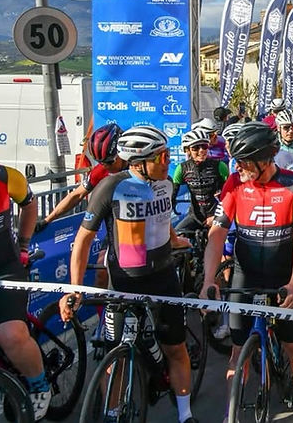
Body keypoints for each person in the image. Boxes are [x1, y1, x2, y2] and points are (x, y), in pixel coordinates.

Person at [59, 126, 197, 423]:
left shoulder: (165, 184)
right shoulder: (110, 187)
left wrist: (174, 239)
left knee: (175, 348)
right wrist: (74, 289)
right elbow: (82, 242)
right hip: (122, 281)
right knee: (116, 354)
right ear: (140, 162)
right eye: (162, 157)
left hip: (163, 277)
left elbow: (161, 219)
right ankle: (112, 412)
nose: (167, 162)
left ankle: (185, 414)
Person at [200, 122, 293, 422]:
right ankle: (232, 414)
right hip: (247, 271)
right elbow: (217, 233)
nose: (237, 167)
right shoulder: (234, 184)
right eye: (236, 161)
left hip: (282, 273)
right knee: (237, 350)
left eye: (243, 161)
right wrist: (208, 281)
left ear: (265, 159)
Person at [0, 123, 51, 419]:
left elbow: (29, 205)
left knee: (11, 335)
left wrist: (24, 244)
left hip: (1, 272)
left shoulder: (1, 176)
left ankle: (39, 384)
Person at [36, 123, 127, 231]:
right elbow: (76, 195)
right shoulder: (101, 170)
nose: (106, 166)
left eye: (109, 162)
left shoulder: (140, 167)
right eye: (101, 162)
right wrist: (47, 220)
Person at [171, 128, 229, 232]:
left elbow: (230, 196)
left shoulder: (220, 166)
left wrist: (216, 217)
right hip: (194, 216)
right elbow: (173, 195)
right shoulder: (181, 168)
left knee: (219, 244)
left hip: (217, 215)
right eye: (196, 148)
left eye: (204, 146)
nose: (201, 151)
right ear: (187, 150)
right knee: (178, 234)